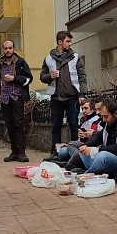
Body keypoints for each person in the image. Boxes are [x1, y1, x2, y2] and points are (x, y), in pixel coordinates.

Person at [40, 30, 87, 160]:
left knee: (74, 125)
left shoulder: (75, 57)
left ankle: (75, 152)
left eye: (70, 41)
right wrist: (50, 76)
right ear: (60, 42)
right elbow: (42, 77)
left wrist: (82, 93)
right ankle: (55, 153)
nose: (70, 44)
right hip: (56, 98)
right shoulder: (48, 58)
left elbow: (82, 76)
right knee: (56, 126)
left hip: (72, 97)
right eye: (67, 41)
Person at [0, 40, 33, 162]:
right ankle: (14, 152)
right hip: (4, 98)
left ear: (13, 48)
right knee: (9, 126)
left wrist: (15, 78)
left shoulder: (21, 62)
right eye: (6, 48)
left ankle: (21, 153)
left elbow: (29, 78)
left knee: (19, 125)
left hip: (17, 97)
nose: (8, 50)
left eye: (10, 48)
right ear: (3, 49)